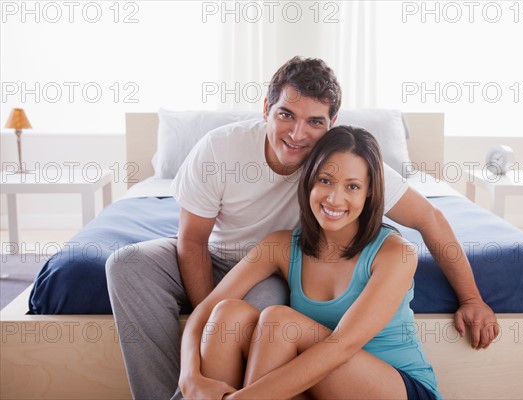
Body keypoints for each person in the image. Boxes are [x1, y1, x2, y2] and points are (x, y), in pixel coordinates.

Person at [106, 56, 497, 400]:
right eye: (286, 115)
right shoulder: (222, 153)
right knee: (184, 292)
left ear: (331, 125)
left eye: (314, 122)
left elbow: (428, 218)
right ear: (266, 110)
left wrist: (472, 298)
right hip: (222, 256)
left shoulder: (353, 170)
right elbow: (192, 243)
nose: (297, 134)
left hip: (373, 370)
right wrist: (193, 376)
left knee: (274, 318)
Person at [179, 126, 441, 400]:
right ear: (309, 180)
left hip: (396, 386)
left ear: (370, 192)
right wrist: (190, 379)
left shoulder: (395, 253)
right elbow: (206, 311)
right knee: (227, 314)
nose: (334, 198)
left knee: (279, 321)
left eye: (352, 186)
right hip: (315, 381)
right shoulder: (280, 246)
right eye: (325, 180)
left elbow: (342, 346)